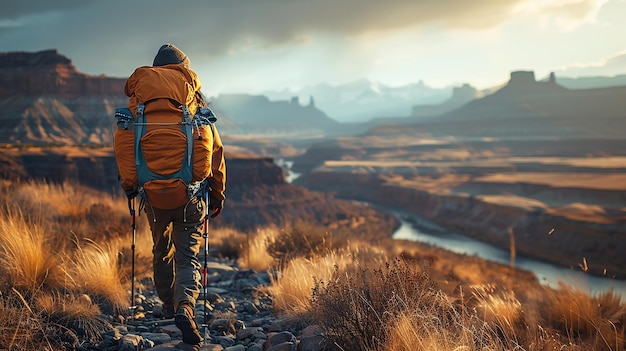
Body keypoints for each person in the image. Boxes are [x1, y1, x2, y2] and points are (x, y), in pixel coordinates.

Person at [119, 43, 226, 347]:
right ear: (184, 70)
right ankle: (185, 308)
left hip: (152, 195)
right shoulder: (193, 106)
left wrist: (130, 187)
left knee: (161, 249)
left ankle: (167, 305)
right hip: (190, 194)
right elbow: (216, 152)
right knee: (188, 255)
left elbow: (126, 149)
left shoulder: (139, 108)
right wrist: (217, 194)